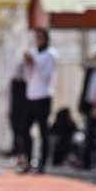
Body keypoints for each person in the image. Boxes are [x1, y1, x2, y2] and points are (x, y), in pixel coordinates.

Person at [21, 28, 58, 174]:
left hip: (44, 95)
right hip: (31, 96)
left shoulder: (51, 54)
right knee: (25, 130)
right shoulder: (34, 53)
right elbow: (27, 77)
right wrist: (28, 64)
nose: (38, 41)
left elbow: (46, 75)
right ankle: (28, 160)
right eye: (37, 38)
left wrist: (34, 63)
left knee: (43, 131)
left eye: (41, 38)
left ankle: (42, 163)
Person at [78, 44, 96, 169]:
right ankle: (86, 163)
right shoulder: (90, 70)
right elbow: (84, 88)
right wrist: (81, 105)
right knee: (88, 135)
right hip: (90, 107)